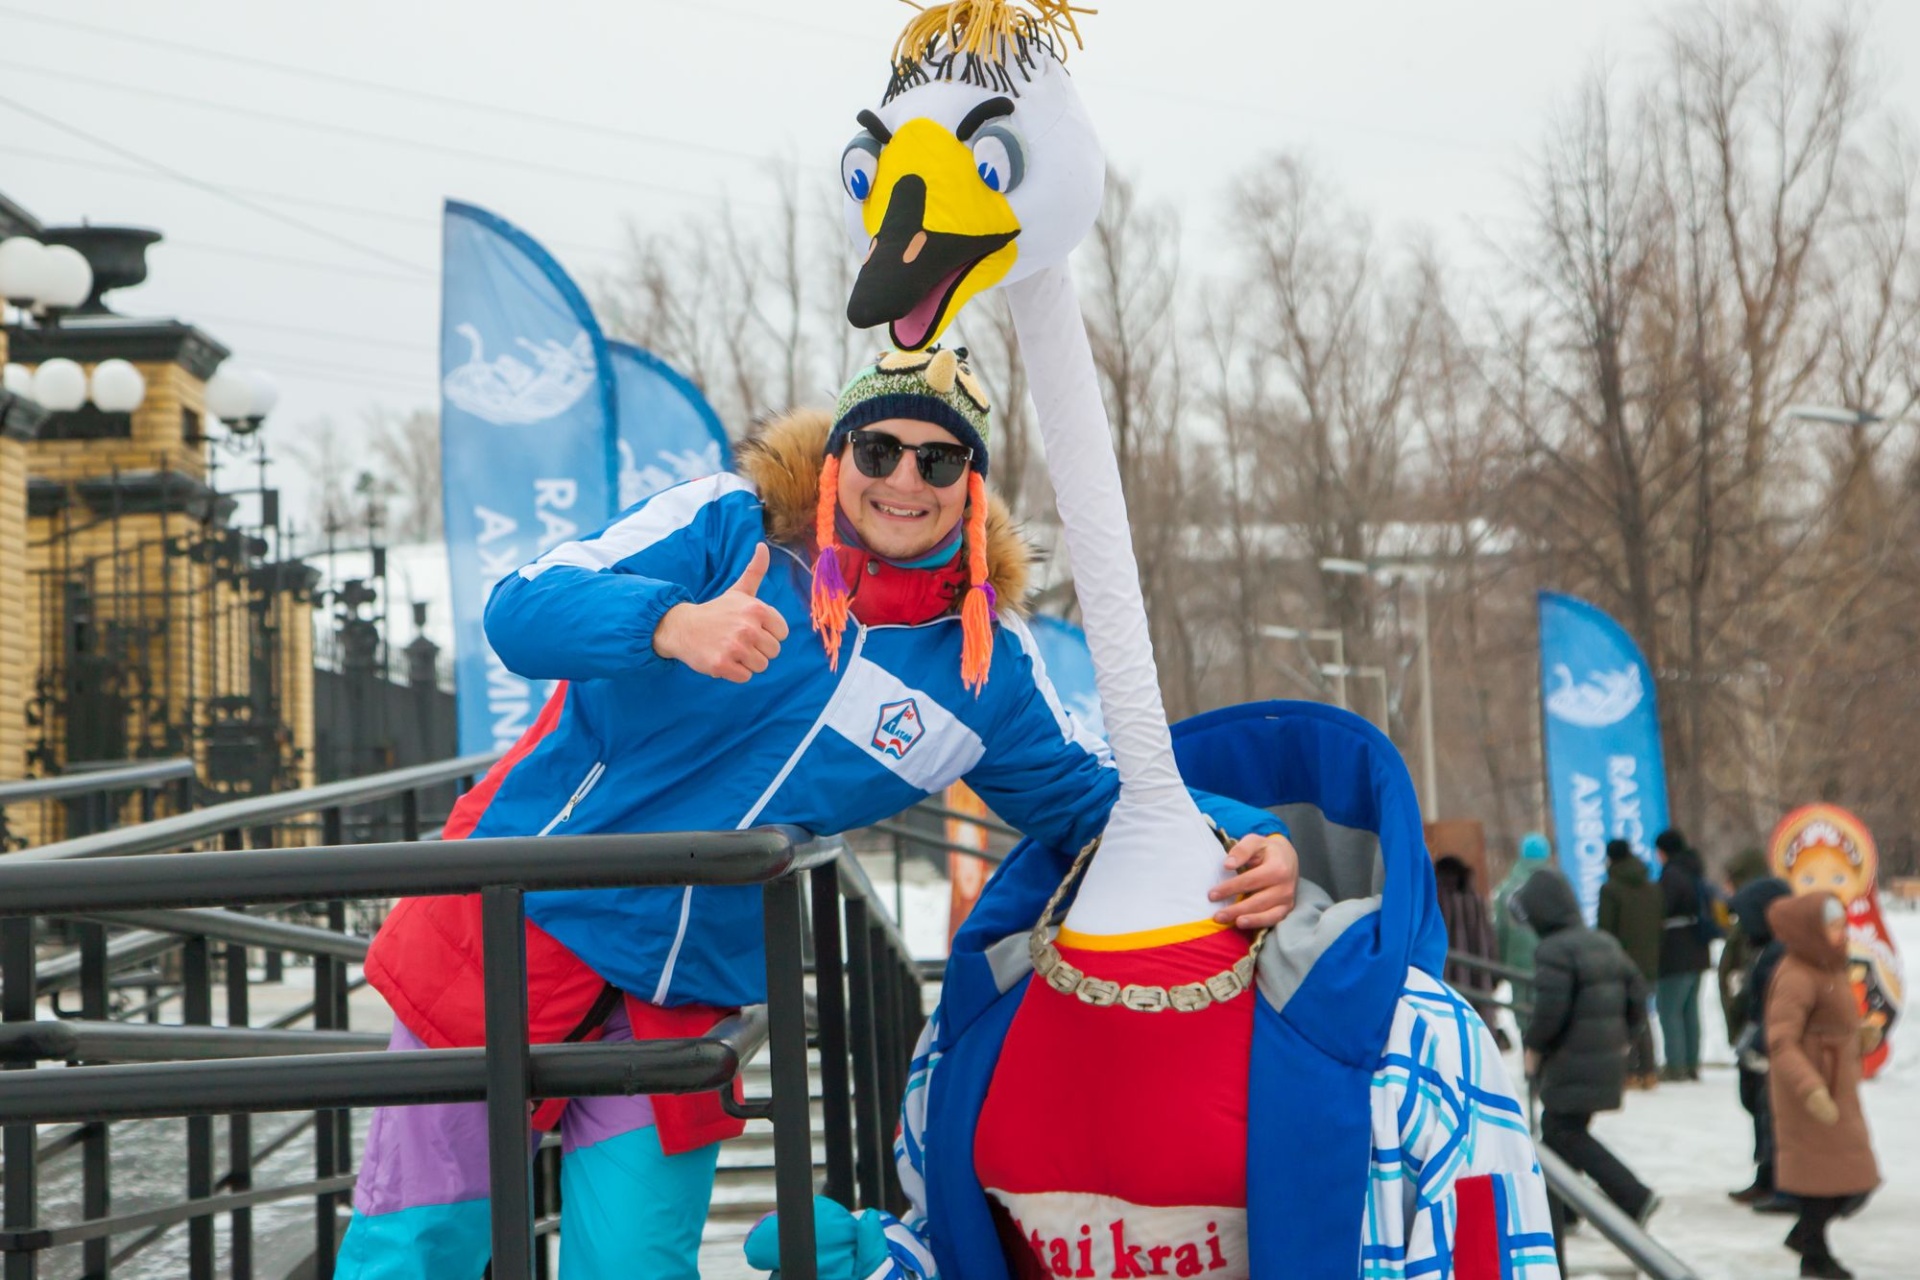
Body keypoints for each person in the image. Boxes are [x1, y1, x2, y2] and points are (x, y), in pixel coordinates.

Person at [334, 349, 1301, 1279]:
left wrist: (1249, 837)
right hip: (511, 929)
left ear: (973, 484)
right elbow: (523, 609)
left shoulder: (984, 667)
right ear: (838, 459)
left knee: (631, 1265)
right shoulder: (730, 526)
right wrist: (670, 625)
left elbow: (1099, 801)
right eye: (879, 450)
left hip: (678, 994)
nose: (905, 481)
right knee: (417, 1253)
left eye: (940, 458)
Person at [1514, 865, 1660, 1227]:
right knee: (1559, 1133)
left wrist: (1534, 1046)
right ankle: (1564, 1211)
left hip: (1570, 1062)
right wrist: (1622, 1036)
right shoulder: (1603, 941)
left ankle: (1632, 1195)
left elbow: (1550, 1011)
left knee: (1563, 1132)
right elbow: (1638, 994)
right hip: (1603, 1060)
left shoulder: (1553, 951)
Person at [1766, 892, 1881, 1278]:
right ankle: (1814, 1254)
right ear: (1812, 930)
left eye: (1841, 924)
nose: (1842, 932)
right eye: (1833, 925)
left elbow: (1833, 1022)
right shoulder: (1796, 974)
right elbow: (1781, 1040)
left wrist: (1858, 1036)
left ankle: (1806, 1239)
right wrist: (1810, 1089)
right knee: (1823, 1181)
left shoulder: (1828, 966)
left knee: (1854, 1178)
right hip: (1811, 1090)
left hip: (1837, 1088)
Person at [1726, 875, 1792, 1209]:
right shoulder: (1764, 946)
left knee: (1772, 1111)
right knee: (1758, 1105)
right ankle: (1766, 1175)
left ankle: (1779, 1181)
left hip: (1772, 1041)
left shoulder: (1781, 950)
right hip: (1756, 1038)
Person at [1597, 839, 1663, 1090]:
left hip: (1621, 963)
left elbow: (1605, 931)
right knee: (1643, 1014)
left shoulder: (1610, 890)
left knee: (1625, 1018)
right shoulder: (1653, 887)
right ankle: (1649, 1070)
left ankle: (1630, 1071)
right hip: (1649, 962)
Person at [1654, 829, 1711, 1081]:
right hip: (1698, 949)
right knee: (1690, 1010)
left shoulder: (1672, 876)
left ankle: (1675, 1065)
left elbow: (1660, 908)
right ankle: (1692, 1062)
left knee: (1669, 1009)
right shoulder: (1694, 871)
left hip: (1675, 951)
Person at [1434, 853, 1504, 1040]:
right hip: (1478, 989)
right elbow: (1491, 946)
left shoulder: (1433, 905)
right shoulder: (1477, 903)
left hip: (1442, 990)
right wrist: (1493, 979)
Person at [1494, 831, 1553, 1029]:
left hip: (1518, 963)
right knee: (1549, 1015)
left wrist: (1500, 964)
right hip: (1551, 962)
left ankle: (1528, 1053)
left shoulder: (1507, 889)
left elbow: (1500, 930)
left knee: (1523, 1016)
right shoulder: (1554, 884)